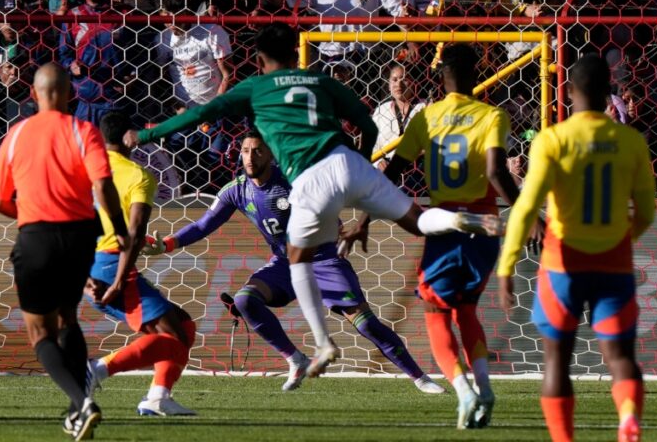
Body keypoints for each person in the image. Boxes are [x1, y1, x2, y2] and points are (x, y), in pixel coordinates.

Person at [124, 23, 502, 378]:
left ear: (258, 59)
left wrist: (146, 134)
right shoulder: (321, 81)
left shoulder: (256, 87)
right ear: (295, 53)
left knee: (297, 258)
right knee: (416, 221)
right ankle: (465, 221)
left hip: (311, 179)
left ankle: (322, 346)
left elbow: (201, 112)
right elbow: (368, 126)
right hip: (350, 163)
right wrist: (363, 162)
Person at [146, 129, 445, 394]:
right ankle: (295, 359)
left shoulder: (292, 180)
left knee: (367, 326)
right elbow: (203, 225)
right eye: (246, 151)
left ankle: (419, 378)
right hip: (285, 264)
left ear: (271, 153)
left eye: (258, 151)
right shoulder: (236, 190)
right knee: (245, 300)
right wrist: (168, 244)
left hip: (324, 260)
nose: (250, 157)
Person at [382, 42, 541, 429]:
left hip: (443, 225)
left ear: (441, 77)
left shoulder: (426, 117)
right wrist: (527, 212)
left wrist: (367, 217)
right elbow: (496, 173)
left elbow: (394, 172)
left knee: (436, 312)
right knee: (466, 308)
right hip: (485, 226)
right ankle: (484, 386)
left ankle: (465, 392)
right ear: (476, 75)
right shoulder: (493, 115)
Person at [498, 55, 656, 442]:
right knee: (620, 357)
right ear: (609, 94)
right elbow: (648, 211)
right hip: (613, 265)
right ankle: (629, 416)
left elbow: (523, 209)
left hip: (561, 265)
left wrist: (506, 268)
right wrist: (620, 240)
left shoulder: (552, 140)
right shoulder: (630, 140)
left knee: (557, 361)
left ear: (568, 93)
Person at [0, 64, 129, 441]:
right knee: (68, 318)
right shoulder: (84, 131)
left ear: (33, 95)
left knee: (39, 333)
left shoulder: (16, 136)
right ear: (70, 94)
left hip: (36, 236)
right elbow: (103, 185)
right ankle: (77, 408)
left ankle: (81, 401)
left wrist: (30, 215)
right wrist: (122, 230)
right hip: (81, 235)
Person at [83, 112, 198, 417]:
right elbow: (131, 233)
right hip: (112, 267)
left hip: (88, 265)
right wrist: (121, 280)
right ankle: (94, 371)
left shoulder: (86, 171)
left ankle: (158, 397)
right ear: (128, 137)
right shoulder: (139, 175)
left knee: (182, 323)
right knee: (176, 338)